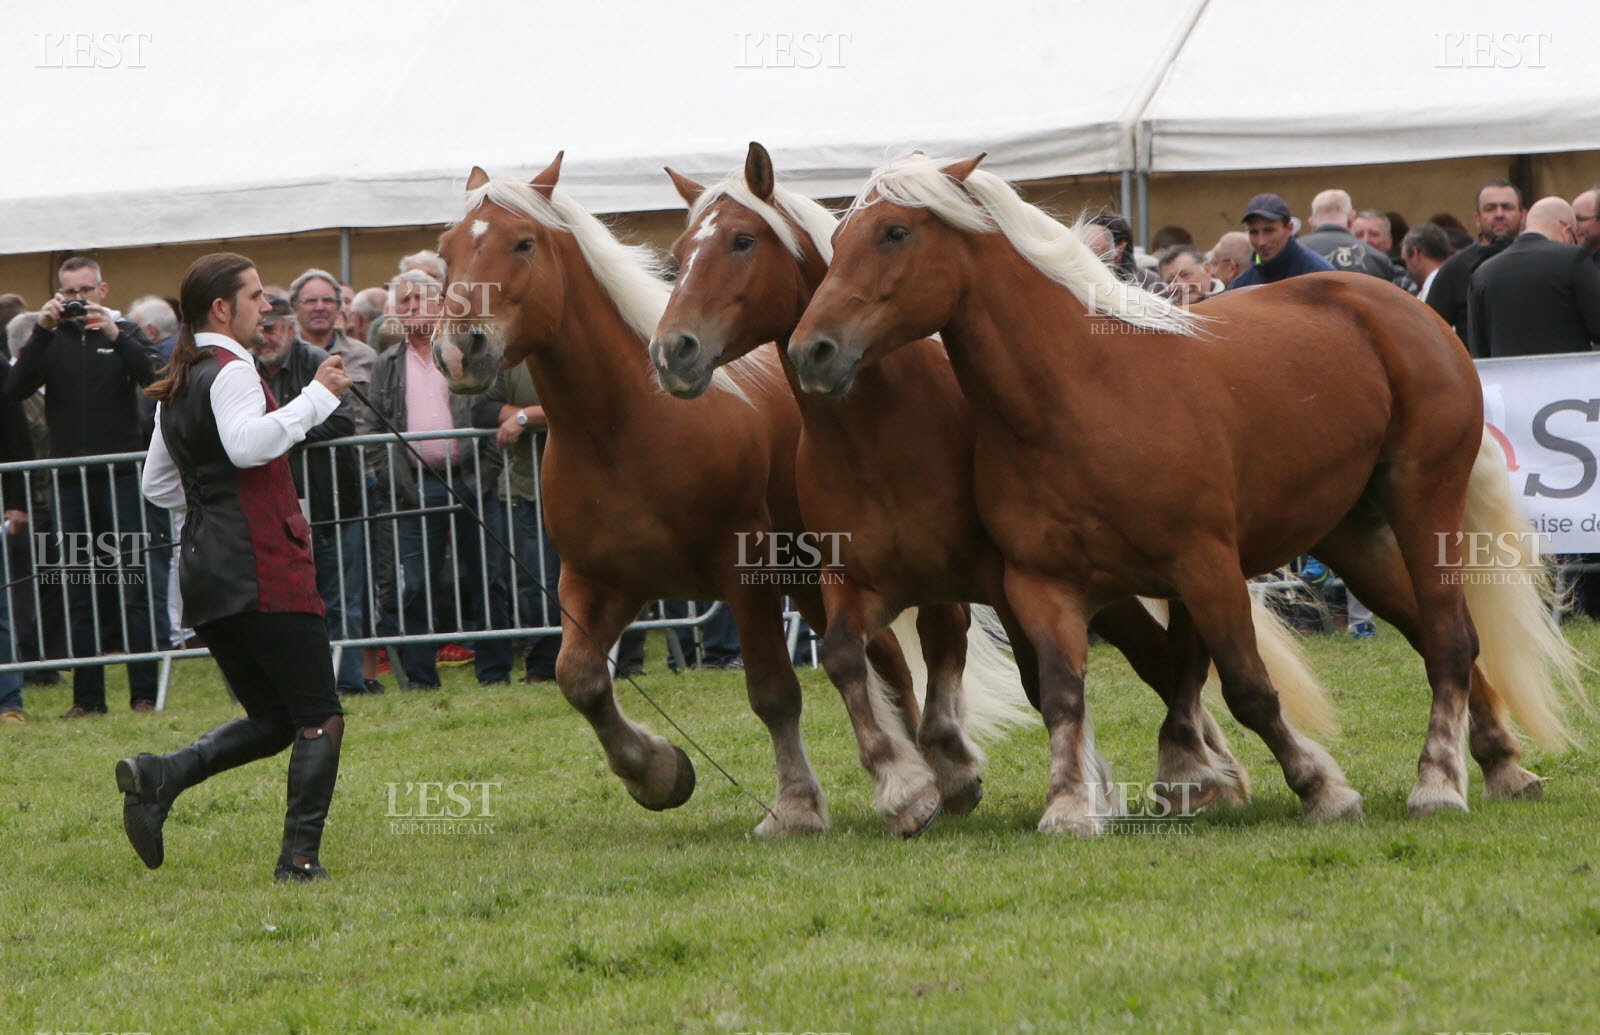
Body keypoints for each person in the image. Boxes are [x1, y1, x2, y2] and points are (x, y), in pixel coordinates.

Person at [122, 251, 351, 882]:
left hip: (207, 572)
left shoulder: (183, 377)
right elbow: (248, 446)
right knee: (317, 714)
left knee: (276, 719)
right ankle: (299, 863)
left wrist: (213, 500)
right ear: (222, 308)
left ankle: (161, 775)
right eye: (255, 296)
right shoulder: (230, 368)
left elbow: (158, 484)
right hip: (262, 565)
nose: (267, 306)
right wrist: (316, 398)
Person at [4, 258, 162, 717]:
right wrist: (43, 329)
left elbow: (155, 380)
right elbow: (14, 388)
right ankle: (88, 699)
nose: (79, 299)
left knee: (133, 584)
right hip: (70, 482)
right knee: (78, 584)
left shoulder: (125, 332)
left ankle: (144, 693)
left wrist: (114, 336)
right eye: (70, 291)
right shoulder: (51, 337)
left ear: (103, 291)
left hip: (120, 477)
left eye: (87, 290)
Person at [367, 270, 512, 688]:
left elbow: (487, 410)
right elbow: (375, 428)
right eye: (405, 301)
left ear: (441, 304)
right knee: (413, 586)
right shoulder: (385, 365)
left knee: (488, 576)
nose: (412, 307)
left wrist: (485, 473)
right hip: (413, 487)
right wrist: (392, 477)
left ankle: (495, 672)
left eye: (421, 299)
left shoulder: (467, 351)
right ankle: (419, 678)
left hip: (471, 480)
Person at [253, 296, 379, 696]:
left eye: (272, 328)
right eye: (260, 328)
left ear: (290, 327)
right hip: (278, 508)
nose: (265, 338)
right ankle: (303, 685)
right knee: (291, 603)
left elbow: (343, 419)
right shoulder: (246, 369)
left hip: (333, 500)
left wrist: (283, 434)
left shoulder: (317, 362)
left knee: (342, 597)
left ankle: (350, 683)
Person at [472, 363, 562, 683]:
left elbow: (585, 407)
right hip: (530, 490)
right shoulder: (511, 360)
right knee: (538, 583)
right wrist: (542, 413)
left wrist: (525, 417)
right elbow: (482, 410)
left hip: (588, 492)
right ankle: (542, 665)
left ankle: (616, 657)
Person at [1468, 196, 1600, 358]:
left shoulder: (1483, 272)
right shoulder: (1573, 259)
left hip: (1508, 380)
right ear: (1566, 230)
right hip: (1566, 378)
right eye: (1574, 239)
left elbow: (1478, 347)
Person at [1426, 179, 1525, 342]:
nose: (1499, 214)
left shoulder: (1539, 264)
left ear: (1523, 216)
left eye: (1507, 207)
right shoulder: (1455, 269)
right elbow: (1430, 331)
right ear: (1477, 218)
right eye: (1490, 208)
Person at [1225, 193, 1334, 289]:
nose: (1261, 242)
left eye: (1269, 231)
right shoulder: (1241, 285)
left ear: (1289, 228)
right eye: (1253, 232)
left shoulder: (1320, 276)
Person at [1300, 190, 1396, 279]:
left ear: (1312, 223)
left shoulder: (1294, 252)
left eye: (1374, 234)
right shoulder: (1378, 259)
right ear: (1351, 219)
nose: (1365, 240)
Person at [1399, 224, 1451, 301]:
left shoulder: (1433, 291)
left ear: (1415, 252)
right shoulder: (1456, 283)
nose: (1407, 268)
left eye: (1405, 261)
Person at [1157, 245, 1223, 304]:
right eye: (1170, 281)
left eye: (1185, 275)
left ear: (1207, 269)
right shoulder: (1163, 315)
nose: (1180, 286)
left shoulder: (1230, 304)